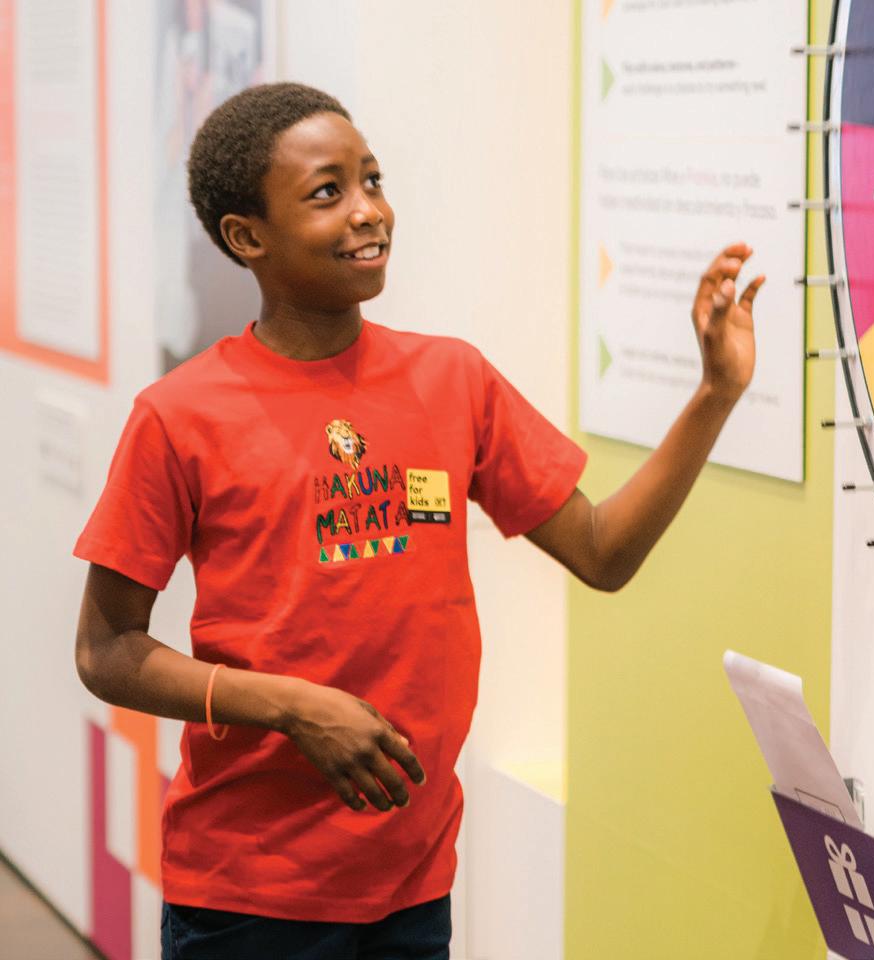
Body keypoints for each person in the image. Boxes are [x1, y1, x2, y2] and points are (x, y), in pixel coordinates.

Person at [73, 82, 765, 960]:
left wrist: (713, 396)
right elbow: (106, 649)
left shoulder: (453, 380)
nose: (369, 211)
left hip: (411, 878)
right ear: (247, 237)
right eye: (328, 192)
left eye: (372, 180)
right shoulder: (181, 415)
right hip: (249, 892)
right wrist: (291, 706)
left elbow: (602, 552)